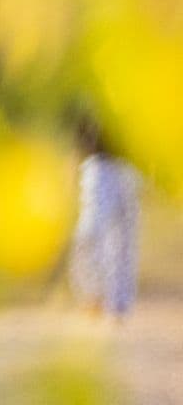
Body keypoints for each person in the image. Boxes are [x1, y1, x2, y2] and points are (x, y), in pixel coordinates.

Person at [68, 106, 142, 320]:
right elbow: (80, 131)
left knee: (125, 239)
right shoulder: (93, 86)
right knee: (89, 233)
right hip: (99, 166)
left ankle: (119, 302)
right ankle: (92, 294)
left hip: (129, 167)